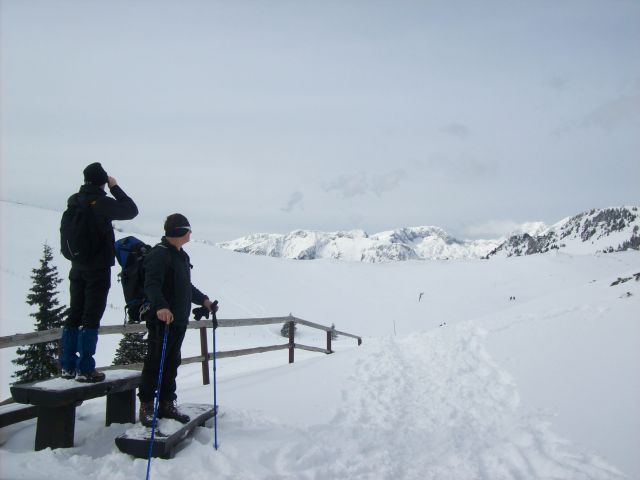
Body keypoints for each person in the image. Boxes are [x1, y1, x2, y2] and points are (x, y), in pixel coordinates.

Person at [60, 163, 138, 382]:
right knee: (91, 316)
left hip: (77, 267)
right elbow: (131, 210)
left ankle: (67, 366)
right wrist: (115, 187)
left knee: (75, 313)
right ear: (103, 181)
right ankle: (86, 369)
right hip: (98, 268)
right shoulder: (101, 203)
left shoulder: (74, 200)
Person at [138, 213, 218, 426]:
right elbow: (151, 285)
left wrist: (205, 301)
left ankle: (166, 403)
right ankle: (146, 405)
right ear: (179, 231)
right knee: (155, 362)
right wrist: (161, 307)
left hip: (179, 320)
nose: (191, 233)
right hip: (162, 320)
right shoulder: (160, 254)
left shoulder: (181, 256)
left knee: (172, 362)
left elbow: (186, 287)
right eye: (188, 229)